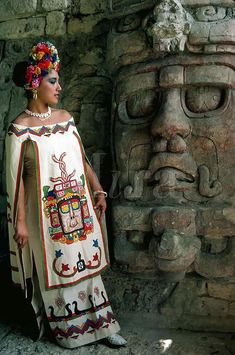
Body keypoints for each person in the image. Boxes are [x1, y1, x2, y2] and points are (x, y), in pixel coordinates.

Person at [5, 41, 127, 349]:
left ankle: (105, 326)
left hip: (79, 210)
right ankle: (70, 330)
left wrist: (98, 189)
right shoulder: (20, 129)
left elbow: (82, 161)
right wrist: (19, 222)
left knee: (87, 265)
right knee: (60, 270)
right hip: (45, 218)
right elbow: (14, 181)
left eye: (58, 80)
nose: (60, 86)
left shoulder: (66, 118)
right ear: (35, 85)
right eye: (53, 80)